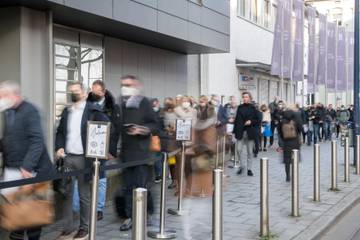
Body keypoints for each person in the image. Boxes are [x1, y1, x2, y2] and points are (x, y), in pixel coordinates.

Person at [0, 81, 54, 240]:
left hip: (31, 169)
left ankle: (31, 237)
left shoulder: (30, 111)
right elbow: (10, 139)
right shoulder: (7, 111)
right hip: (12, 168)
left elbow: (37, 140)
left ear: (14, 95)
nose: (1, 99)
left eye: (3, 95)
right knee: (15, 206)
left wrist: (27, 166)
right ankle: (17, 232)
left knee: (33, 209)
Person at [55, 82, 109, 240]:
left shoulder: (94, 111)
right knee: (65, 193)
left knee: (84, 195)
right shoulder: (67, 111)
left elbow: (105, 128)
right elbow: (59, 132)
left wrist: (102, 151)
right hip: (67, 158)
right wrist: (59, 147)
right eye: (71, 91)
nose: (73, 94)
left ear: (85, 93)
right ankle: (67, 227)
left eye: (76, 91)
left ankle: (84, 228)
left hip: (84, 159)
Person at [72, 80, 121, 221]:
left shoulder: (112, 107)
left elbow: (115, 131)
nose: (93, 92)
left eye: (96, 90)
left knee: (101, 179)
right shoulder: (85, 105)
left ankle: (98, 209)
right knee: (79, 178)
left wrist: (110, 151)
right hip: (85, 148)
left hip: (103, 150)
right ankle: (77, 208)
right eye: (92, 89)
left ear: (103, 92)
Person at [119, 75, 158, 231]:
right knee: (127, 187)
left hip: (141, 153)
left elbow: (155, 124)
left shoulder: (144, 103)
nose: (125, 87)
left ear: (136, 86)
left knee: (141, 186)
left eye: (128, 84)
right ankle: (129, 216)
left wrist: (141, 130)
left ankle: (147, 213)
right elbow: (116, 126)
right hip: (126, 153)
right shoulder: (120, 103)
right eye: (123, 84)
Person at [233, 92, 261, 176]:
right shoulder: (240, 108)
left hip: (250, 132)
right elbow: (237, 120)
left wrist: (251, 121)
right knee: (238, 149)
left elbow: (258, 120)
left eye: (246, 97)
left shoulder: (253, 108)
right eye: (243, 97)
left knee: (249, 151)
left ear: (250, 98)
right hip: (240, 131)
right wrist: (234, 131)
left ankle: (249, 169)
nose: (245, 98)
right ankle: (242, 166)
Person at [279, 105, 303, 182]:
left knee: (287, 160)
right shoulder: (296, 119)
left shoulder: (282, 120)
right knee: (295, 158)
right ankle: (294, 174)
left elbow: (280, 132)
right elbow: (300, 129)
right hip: (295, 141)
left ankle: (287, 176)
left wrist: (283, 139)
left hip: (286, 142)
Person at [162, 97, 178, 189]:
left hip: (177, 140)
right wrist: (166, 128)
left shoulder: (177, 112)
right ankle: (173, 180)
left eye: (169, 102)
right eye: (166, 102)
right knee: (171, 162)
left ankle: (177, 180)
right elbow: (160, 125)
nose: (167, 104)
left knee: (178, 162)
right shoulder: (163, 112)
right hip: (168, 141)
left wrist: (175, 128)